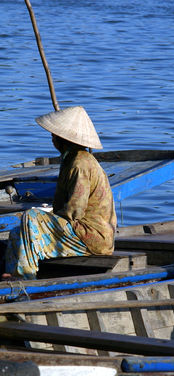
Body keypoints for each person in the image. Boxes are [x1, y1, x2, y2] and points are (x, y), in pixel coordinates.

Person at [3, 106, 117, 280]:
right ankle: (11, 276)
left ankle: (24, 277)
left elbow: (74, 212)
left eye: (54, 136)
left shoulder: (80, 163)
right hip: (77, 230)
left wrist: (43, 220)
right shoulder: (70, 160)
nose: (52, 140)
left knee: (30, 218)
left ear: (62, 139)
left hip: (91, 236)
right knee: (16, 233)